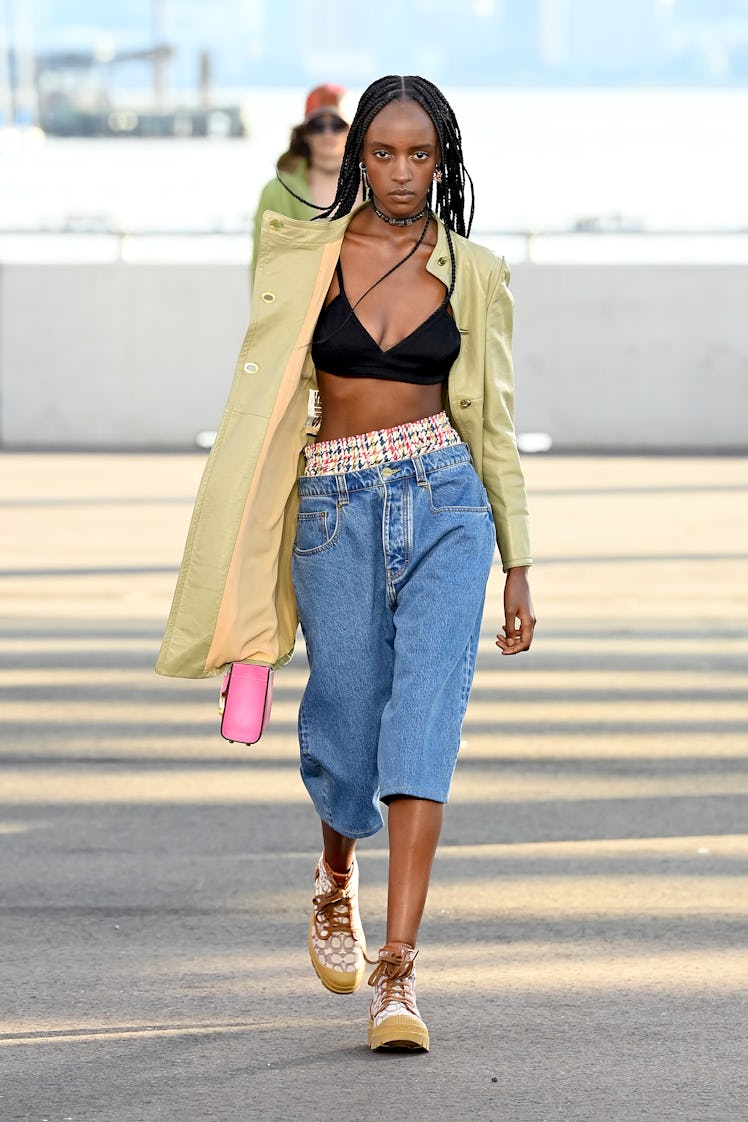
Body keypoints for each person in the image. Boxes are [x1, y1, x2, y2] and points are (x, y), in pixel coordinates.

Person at [157, 74, 535, 1054]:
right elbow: (265, 390)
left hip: (449, 504)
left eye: (421, 154)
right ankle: (334, 877)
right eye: (384, 152)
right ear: (354, 156)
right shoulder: (300, 255)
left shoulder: (478, 271)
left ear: (443, 160)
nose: (403, 172)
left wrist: (519, 561)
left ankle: (398, 975)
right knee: (343, 728)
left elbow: (490, 422)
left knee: (423, 727)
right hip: (332, 504)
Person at [251, 83, 351, 276]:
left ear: (352, 130)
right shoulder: (278, 191)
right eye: (318, 126)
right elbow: (263, 262)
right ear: (305, 133)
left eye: (337, 125)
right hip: (304, 303)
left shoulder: (376, 187)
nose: (328, 133)